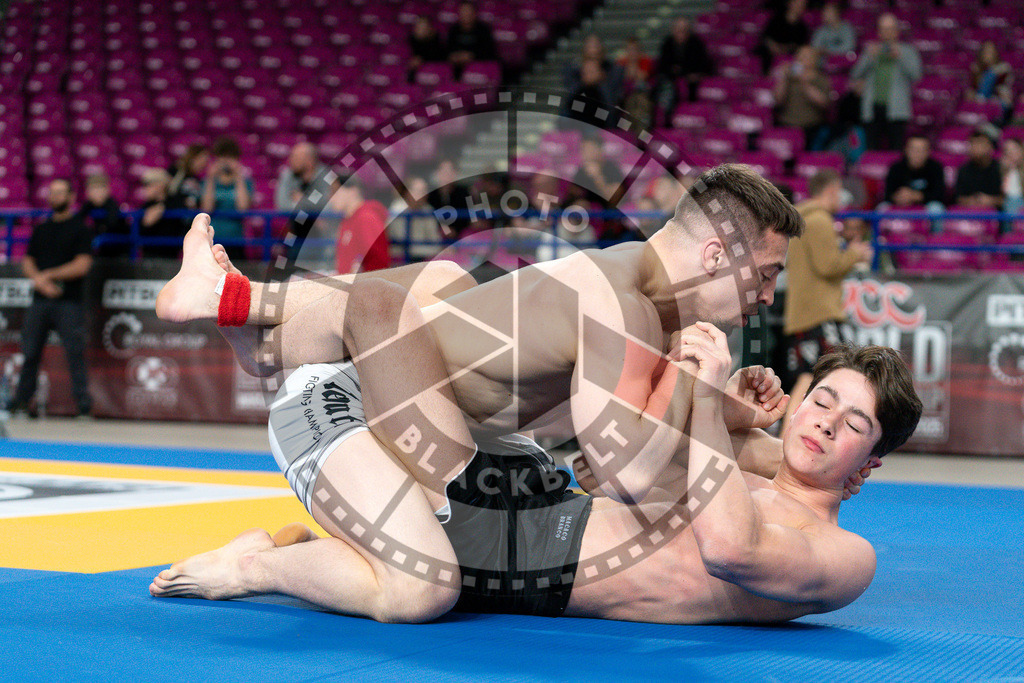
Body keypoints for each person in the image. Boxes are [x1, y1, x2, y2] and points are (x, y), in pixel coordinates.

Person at [150, 287, 920, 623]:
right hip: (530, 499)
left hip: (522, 560)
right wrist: (721, 404)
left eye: (853, 423)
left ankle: (259, 564)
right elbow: (631, 453)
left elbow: (729, 548)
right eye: (823, 399)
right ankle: (252, 315)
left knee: (420, 590)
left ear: (870, 462)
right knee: (414, 312)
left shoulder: (846, 555)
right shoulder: (750, 459)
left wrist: (710, 394)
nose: (825, 423)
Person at [155, 164, 801, 509]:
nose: (769, 296)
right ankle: (237, 308)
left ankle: (246, 315)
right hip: (372, 397)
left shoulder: (650, 297)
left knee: (446, 281)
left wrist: (750, 423)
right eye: (768, 273)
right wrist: (705, 392)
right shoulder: (622, 306)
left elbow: (667, 426)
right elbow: (620, 475)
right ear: (715, 256)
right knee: (415, 304)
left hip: (403, 384)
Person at [781, 170, 872, 433]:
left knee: (807, 376)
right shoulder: (820, 220)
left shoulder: (802, 220)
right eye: (839, 192)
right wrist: (854, 254)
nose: (841, 199)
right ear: (831, 190)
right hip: (820, 313)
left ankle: (786, 435)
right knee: (817, 375)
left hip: (803, 312)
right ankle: (788, 435)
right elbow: (828, 266)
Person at [6, 179, 93, 417]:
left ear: (71, 197)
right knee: (30, 352)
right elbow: (27, 261)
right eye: (52, 192)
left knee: (74, 353)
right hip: (40, 299)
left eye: (60, 192)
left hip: (69, 301)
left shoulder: (80, 229)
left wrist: (48, 275)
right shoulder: (41, 229)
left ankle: (83, 406)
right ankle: (22, 402)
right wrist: (41, 281)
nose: (55, 196)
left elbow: (82, 265)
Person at [849, 13, 921, 151]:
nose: (887, 33)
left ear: (897, 31)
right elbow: (855, 74)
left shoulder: (908, 51)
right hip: (872, 108)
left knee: (896, 149)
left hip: (897, 109)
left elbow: (916, 75)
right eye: (883, 29)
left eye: (890, 29)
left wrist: (899, 57)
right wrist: (869, 57)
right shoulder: (871, 50)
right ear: (879, 32)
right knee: (871, 150)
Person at [651, 16, 713, 126]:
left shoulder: (696, 43)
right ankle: (664, 122)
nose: (681, 33)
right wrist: (679, 71)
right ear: (673, 30)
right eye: (678, 29)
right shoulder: (667, 43)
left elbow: (703, 67)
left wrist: (683, 71)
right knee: (664, 87)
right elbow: (663, 66)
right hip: (671, 81)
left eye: (684, 30)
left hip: (692, 83)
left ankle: (691, 116)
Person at [200, 136, 253, 260]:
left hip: (235, 239)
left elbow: (242, 208)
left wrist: (238, 177)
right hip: (213, 240)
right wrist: (210, 178)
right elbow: (207, 208)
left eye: (230, 157)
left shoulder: (245, 182)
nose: (226, 162)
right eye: (222, 157)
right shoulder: (208, 182)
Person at [772, 45, 832, 150]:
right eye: (799, 56)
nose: (801, 59)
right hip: (787, 125)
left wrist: (804, 83)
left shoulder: (821, 79)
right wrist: (783, 78)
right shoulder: (789, 77)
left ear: (815, 60)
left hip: (811, 128)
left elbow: (823, 103)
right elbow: (778, 100)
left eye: (806, 56)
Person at [330, 175, 391, 275]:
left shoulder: (366, 218)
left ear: (352, 191)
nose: (331, 199)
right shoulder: (347, 221)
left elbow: (379, 261)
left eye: (335, 192)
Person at [879, 135, 946, 213]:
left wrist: (915, 196)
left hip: (926, 204)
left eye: (922, 150)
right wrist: (898, 197)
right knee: (882, 207)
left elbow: (939, 195)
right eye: (914, 149)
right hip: (900, 202)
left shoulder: (936, 167)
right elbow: (888, 194)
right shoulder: (896, 168)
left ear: (929, 152)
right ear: (906, 150)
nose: (917, 153)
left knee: (936, 208)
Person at [389, 176, 444, 261]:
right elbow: (403, 242)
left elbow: (434, 239)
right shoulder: (397, 209)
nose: (424, 194)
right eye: (419, 191)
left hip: (423, 256)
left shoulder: (428, 209)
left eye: (425, 190)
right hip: (400, 258)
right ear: (407, 192)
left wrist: (439, 250)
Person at [76, 172, 128, 259]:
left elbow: (111, 224)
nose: (97, 192)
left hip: (117, 252)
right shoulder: (88, 205)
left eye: (100, 188)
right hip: (99, 252)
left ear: (107, 190)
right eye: (93, 188)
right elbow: (77, 221)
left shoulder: (112, 205)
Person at [139, 168, 187, 259]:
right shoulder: (146, 206)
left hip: (170, 256)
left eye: (149, 184)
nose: (146, 188)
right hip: (149, 255)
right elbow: (143, 227)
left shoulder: (174, 203)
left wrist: (161, 208)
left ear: (161, 185)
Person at [445, 1, 497, 80]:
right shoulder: (453, 30)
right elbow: (447, 50)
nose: (466, 14)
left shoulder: (483, 30)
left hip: (479, 70)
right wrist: (454, 56)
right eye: (463, 11)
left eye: (468, 11)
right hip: (456, 69)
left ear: (474, 13)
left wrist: (471, 56)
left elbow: (489, 52)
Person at [755, 0, 810, 75]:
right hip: (770, 52)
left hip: (788, 58)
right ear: (790, 3)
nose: (799, 7)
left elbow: (800, 47)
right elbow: (766, 36)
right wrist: (772, 46)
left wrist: (784, 49)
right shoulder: (776, 19)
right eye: (797, 4)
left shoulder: (803, 28)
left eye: (802, 6)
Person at [954, 130, 1003, 209]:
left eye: (980, 143)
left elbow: (1007, 199)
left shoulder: (1001, 169)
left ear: (990, 147)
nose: (975, 147)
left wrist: (991, 200)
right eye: (972, 143)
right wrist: (971, 201)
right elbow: (958, 198)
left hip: (997, 213)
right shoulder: (963, 170)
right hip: (969, 212)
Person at [968, 41, 1013, 122]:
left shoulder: (1003, 67)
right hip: (984, 101)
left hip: (999, 102)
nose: (988, 54)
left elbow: (1004, 90)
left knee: (990, 74)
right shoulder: (976, 69)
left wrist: (991, 71)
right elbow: (972, 90)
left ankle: (980, 103)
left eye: (990, 52)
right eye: (986, 52)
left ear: (995, 53)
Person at [168, 143, 209, 210]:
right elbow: (169, 194)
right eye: (200, 158)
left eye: (205, 159)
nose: (203, 162)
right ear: (192, 158)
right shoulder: (176, 171)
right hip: (174, 213)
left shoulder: (199, 178)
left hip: (191, 214)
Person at [407, 16, 447, 83]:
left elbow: (440, 60)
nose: (421, 30)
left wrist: (422, 60)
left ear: (430, 29)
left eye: (424, 28)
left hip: (434, 75)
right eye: (419, 27)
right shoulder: (409, 42)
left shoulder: (437, 43)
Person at [1000, 138, 1024, 216]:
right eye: (1007, 150)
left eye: (1014, 149)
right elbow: (1003, 192)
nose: (1010, 153)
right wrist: (1007, 170)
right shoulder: (1001, 170)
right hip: (1007, 203)